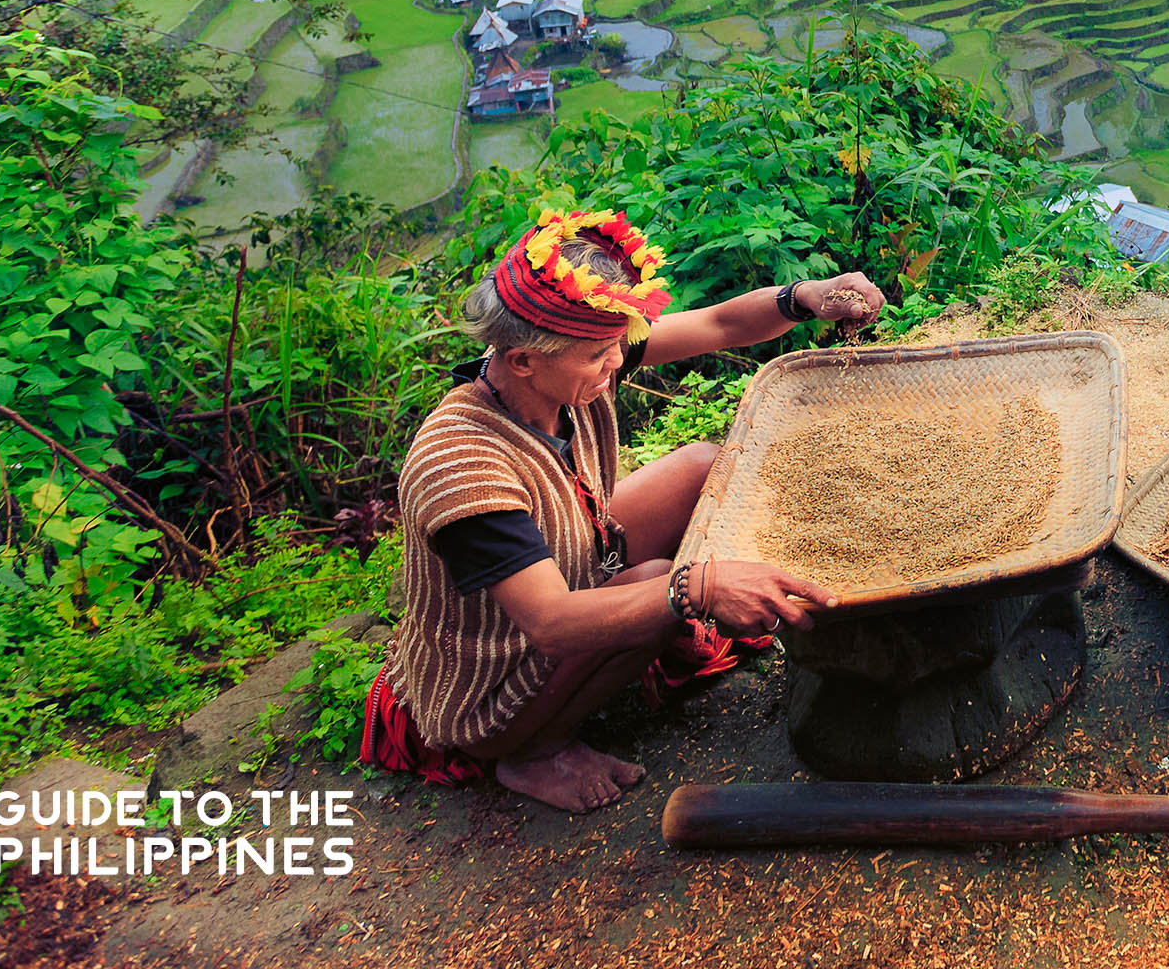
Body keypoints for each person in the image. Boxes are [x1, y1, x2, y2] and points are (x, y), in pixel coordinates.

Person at [363, 208, 885, 811]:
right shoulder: (462, 469)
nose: (617, 363)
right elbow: (552, 622)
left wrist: (803, 298)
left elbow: (718, 324)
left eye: (618, 347)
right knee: (661, 585)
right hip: (495, 677)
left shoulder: (575, 358)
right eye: (599, 357)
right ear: (522, 359)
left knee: (698, 467)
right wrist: (698, 587)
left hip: (575, 559)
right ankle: (533, 752)